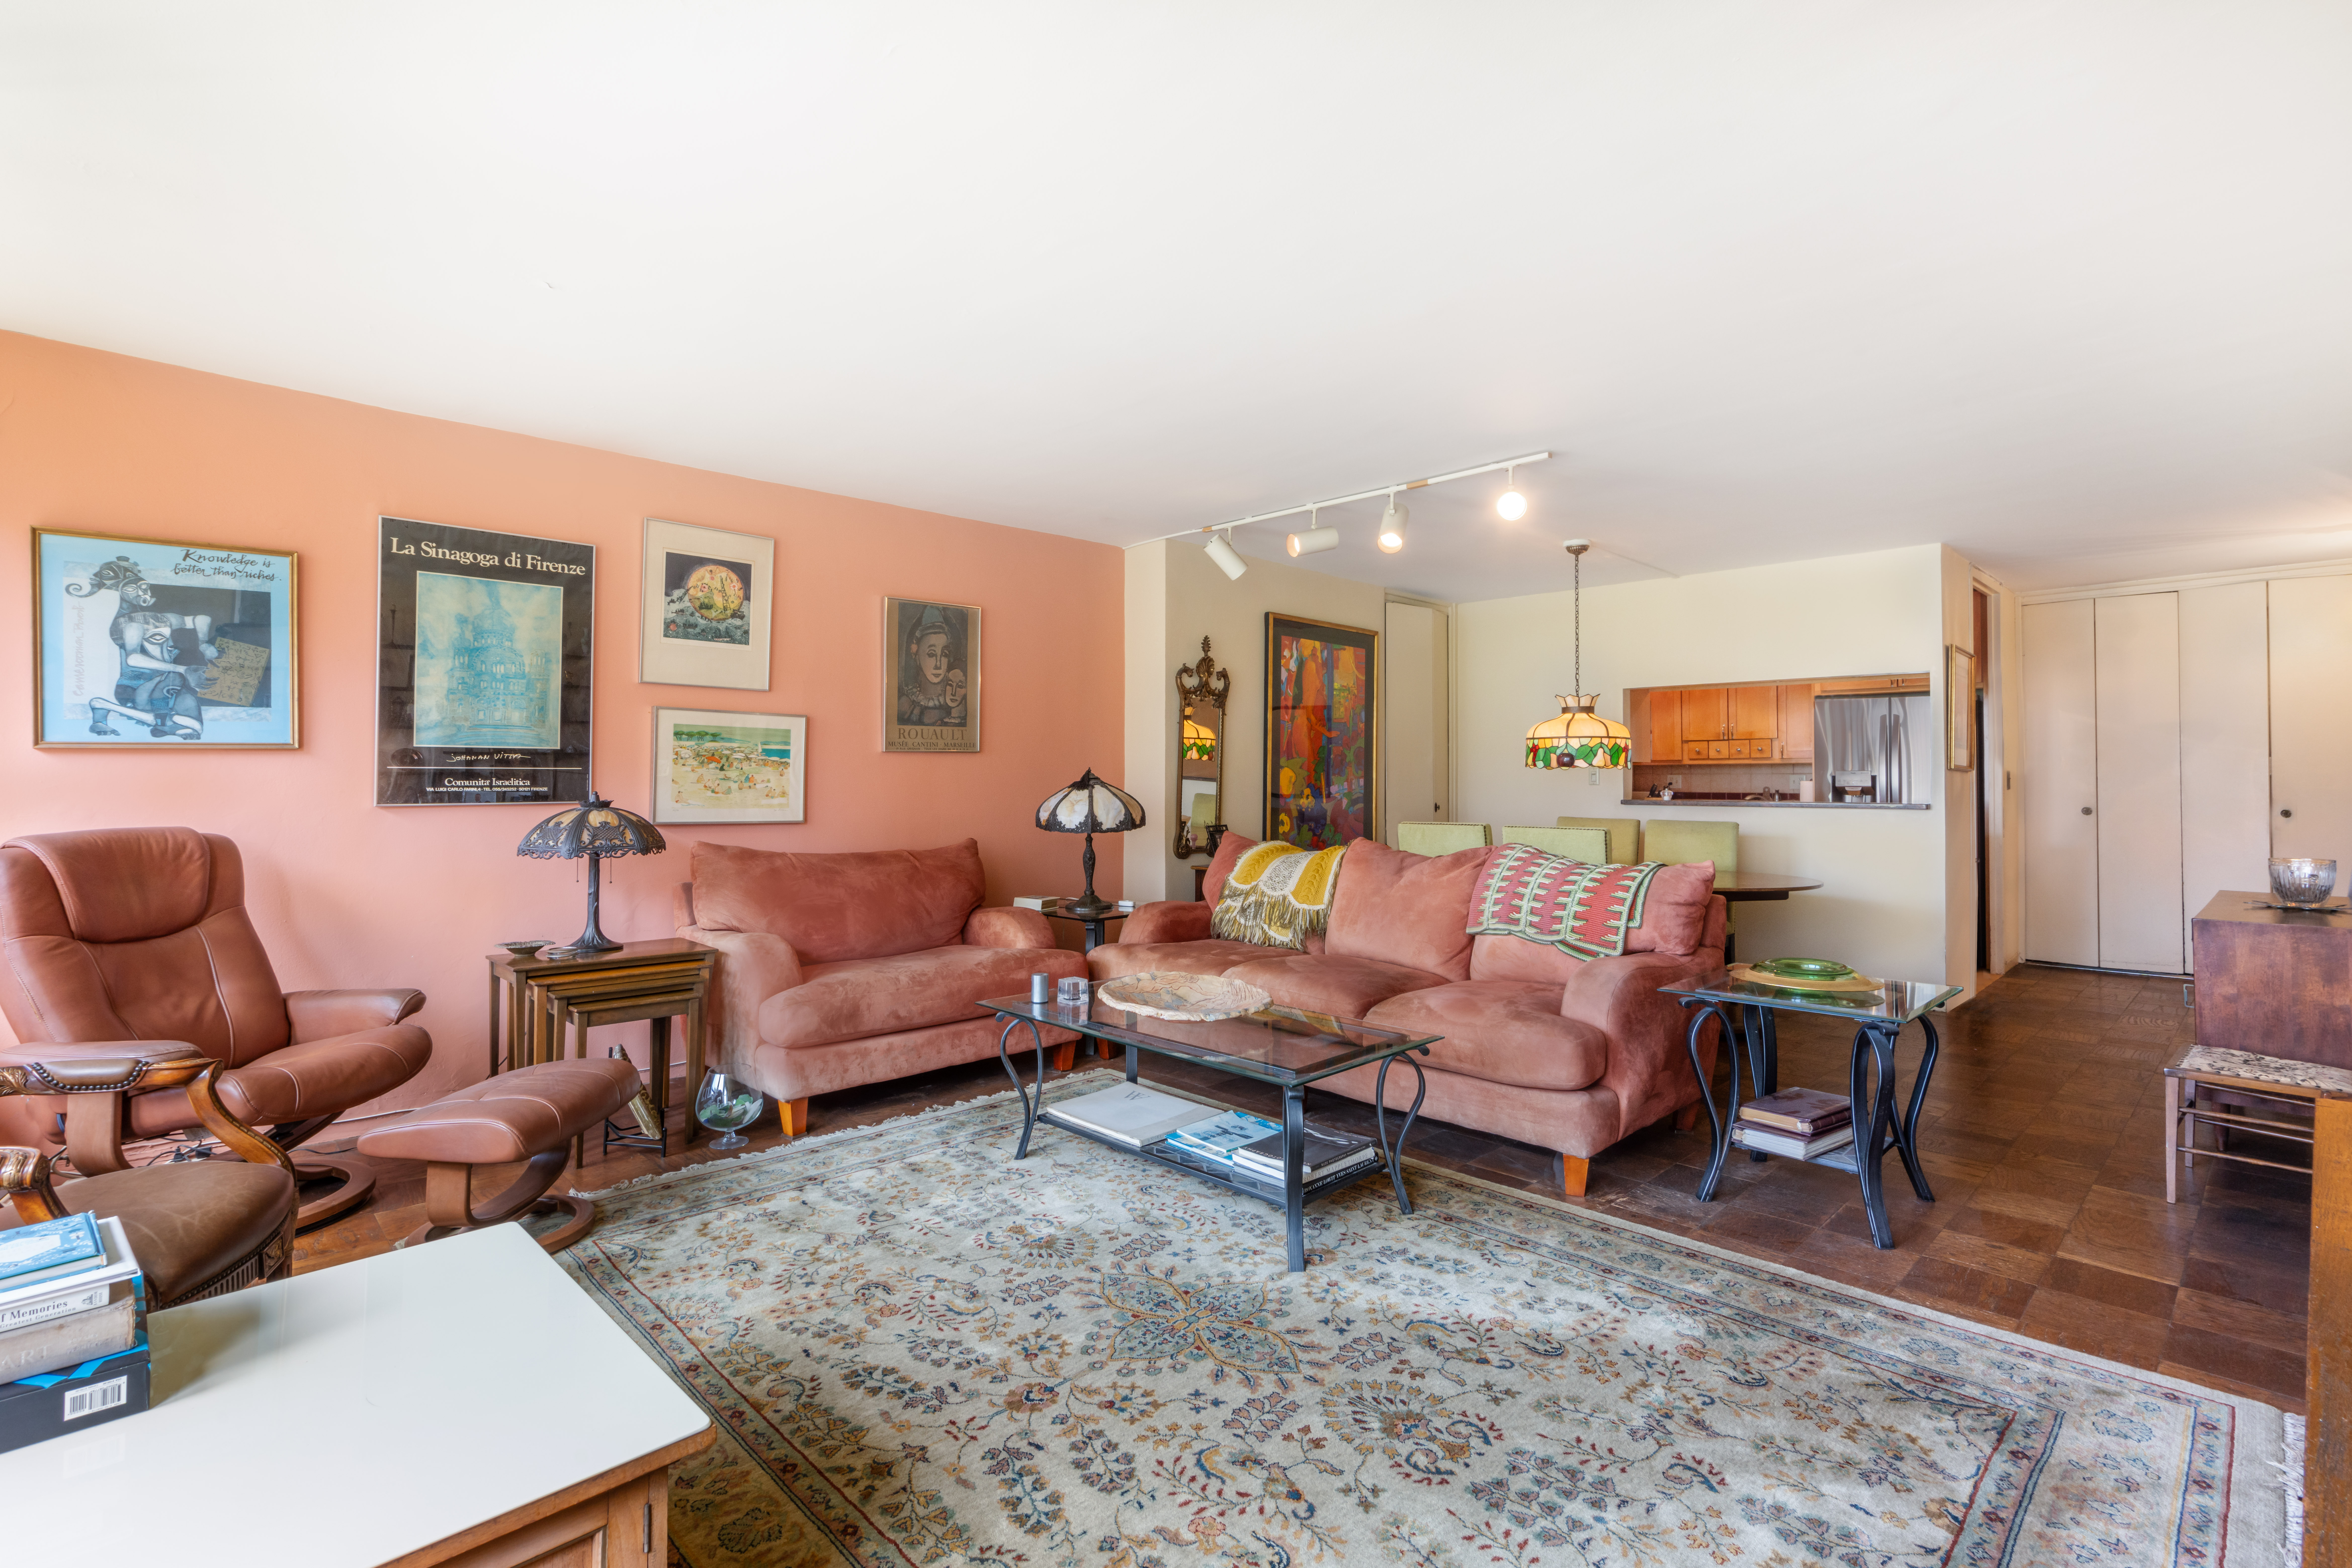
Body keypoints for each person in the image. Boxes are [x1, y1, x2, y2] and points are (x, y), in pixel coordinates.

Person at [89, 610, 217, 739]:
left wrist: (203, 643)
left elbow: (203, 618)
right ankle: (163, 722)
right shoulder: (134, 627)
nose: (167, 646)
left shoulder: (162, 621)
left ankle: (163, 724)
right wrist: (183, 670)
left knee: (197, 727)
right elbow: (133, 658)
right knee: (176, 678)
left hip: (166, 690)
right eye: (157, 639)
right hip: (136, 691)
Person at [896, 605, 962, 727]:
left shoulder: (955, 704)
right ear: (915, 653)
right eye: (931, 654)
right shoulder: (905, 705)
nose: (939, 665)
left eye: (944, 654)